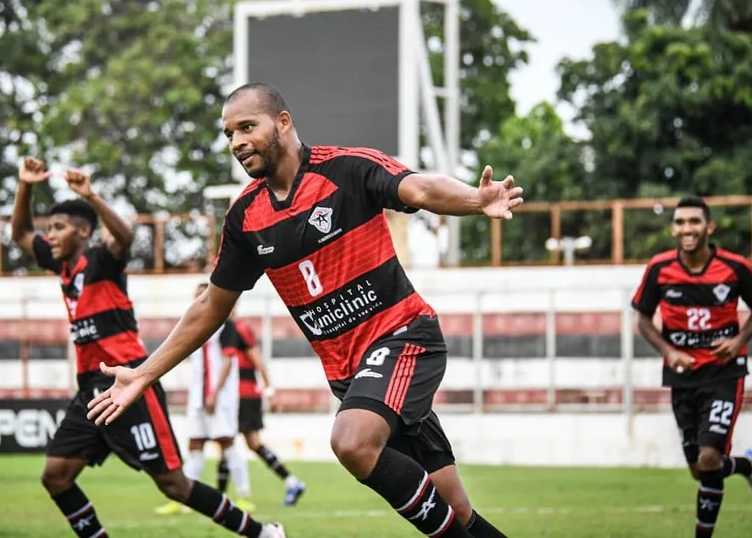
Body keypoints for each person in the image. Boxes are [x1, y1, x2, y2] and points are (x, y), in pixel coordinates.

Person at [88, 83, 522, 538]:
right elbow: (210, 306)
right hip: (353, 376)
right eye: (229, 134)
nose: (236, 142)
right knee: (457, 508)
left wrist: (475, 199)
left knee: (351, 441)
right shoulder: (245, 218)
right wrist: (142, 373)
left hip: (404, 338)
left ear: (283, 122)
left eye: (246, 127)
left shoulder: (347, 169)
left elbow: (417, 188)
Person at [10, 157, 286, 538]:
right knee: (55, 476)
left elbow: (123, 236)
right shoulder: (62, 268)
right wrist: (25, 185)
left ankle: (263, 534)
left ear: (83, 231)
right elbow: (21, 234)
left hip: (129, 383)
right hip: (92, 389)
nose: (50, 235)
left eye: (58, 228)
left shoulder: (101, 261)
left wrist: (91, 194)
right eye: (50, 229)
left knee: (174, 485)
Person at [631, 195, 752, 537]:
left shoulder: (736, 268)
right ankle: (747, 464)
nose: (686, 229)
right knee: (699, 468)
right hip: (682, 378)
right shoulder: (660, 269)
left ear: (709, 227)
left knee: (709, 460)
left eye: (694, 222)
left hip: (725, 374)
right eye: (680, 222)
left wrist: (737, 342)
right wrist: (668, 350)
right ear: (673, 228)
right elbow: (643, 321)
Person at [157, 282, 255, 515]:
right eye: (196, 296)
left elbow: (228, 361)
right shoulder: (193, 327)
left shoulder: (225, 325)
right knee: (195, 445)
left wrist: (215, 392)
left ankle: (244, 495)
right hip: (199, 397)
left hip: (219, 398)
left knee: (226, 442)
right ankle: (182, 500)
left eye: (203, 296)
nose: (199, 300)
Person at [216, 316, 307, 506]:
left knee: (228, 442)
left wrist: (269, 391)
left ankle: (220, 498)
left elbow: (258, 361)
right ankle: (292, 482)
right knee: (251, 443)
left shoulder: (239, 329)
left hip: (244, 394)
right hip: (235, 395)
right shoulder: (220, 329)